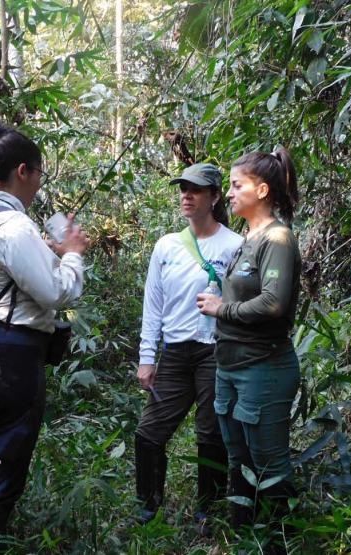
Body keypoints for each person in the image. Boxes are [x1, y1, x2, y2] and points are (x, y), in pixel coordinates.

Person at [0, 119, 89, 534]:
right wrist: (74, 254)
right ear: (23, 172)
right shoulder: (14, 226)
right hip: (9, 359)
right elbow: (56, 293)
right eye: (39, 173)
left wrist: (44, 254)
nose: (40, 184)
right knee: (6, 457)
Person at [196, 148, 301, 527]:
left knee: (269, 464)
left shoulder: (277, 239)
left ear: (261, 191)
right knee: (237, 458)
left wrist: (221, 308)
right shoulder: (248, 239)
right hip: (231, 367)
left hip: (264, 367)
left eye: (237, 185)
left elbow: (273, 304)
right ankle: (242, 533)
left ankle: (278, 540)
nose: (230, 193)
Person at [135, 163, 243, 531]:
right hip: (175, 352)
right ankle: (147, 506)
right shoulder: (166, 245)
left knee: (211, 434)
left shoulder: (234, 245)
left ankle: (206, 511)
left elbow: (244, 300)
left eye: (196, 189)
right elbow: (154, 303)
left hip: (215, 351)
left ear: (214, 197)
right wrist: (147, 357)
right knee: (149, 433)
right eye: (183, 188)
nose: (187, 195)